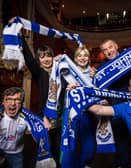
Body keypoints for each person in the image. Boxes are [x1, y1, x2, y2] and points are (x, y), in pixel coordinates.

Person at [22, 38, 62, 167]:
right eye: (42, 57)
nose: (46, 59)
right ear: (39, 60)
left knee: (58, 148)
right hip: (45, 118)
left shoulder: (60, 72)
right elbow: (29, 59)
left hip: (60, 118)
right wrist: (21, 37)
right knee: (45, 149)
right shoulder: (39, 73)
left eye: (49, 56)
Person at [99, 39, 131, 167]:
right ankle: (121, 162)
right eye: (105, 50)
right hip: (114, 108)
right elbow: (100, 86)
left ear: (116, 46)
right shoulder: (103, 68)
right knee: (119, 137)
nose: (108, 51)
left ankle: (129, 162)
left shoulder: (129, 59)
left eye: (110, 47)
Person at [62, 45, 96, 168]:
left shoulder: (94, 73)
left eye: (85, 55)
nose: (82, 58)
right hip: (71, 111)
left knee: (89, 144)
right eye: (79, 56)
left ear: (89, 58)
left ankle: (84, 164)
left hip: (89, 112)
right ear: (75, 59)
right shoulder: (67, 71)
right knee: (71, 142)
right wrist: (68, 88)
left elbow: (98, 91)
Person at [0, 87, 31, 168]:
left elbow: (38, 134)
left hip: (16, 154)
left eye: (17, 100)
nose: (13, 104)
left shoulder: (26, 118)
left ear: (21, 103)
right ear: (3, 102)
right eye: (9, 99)